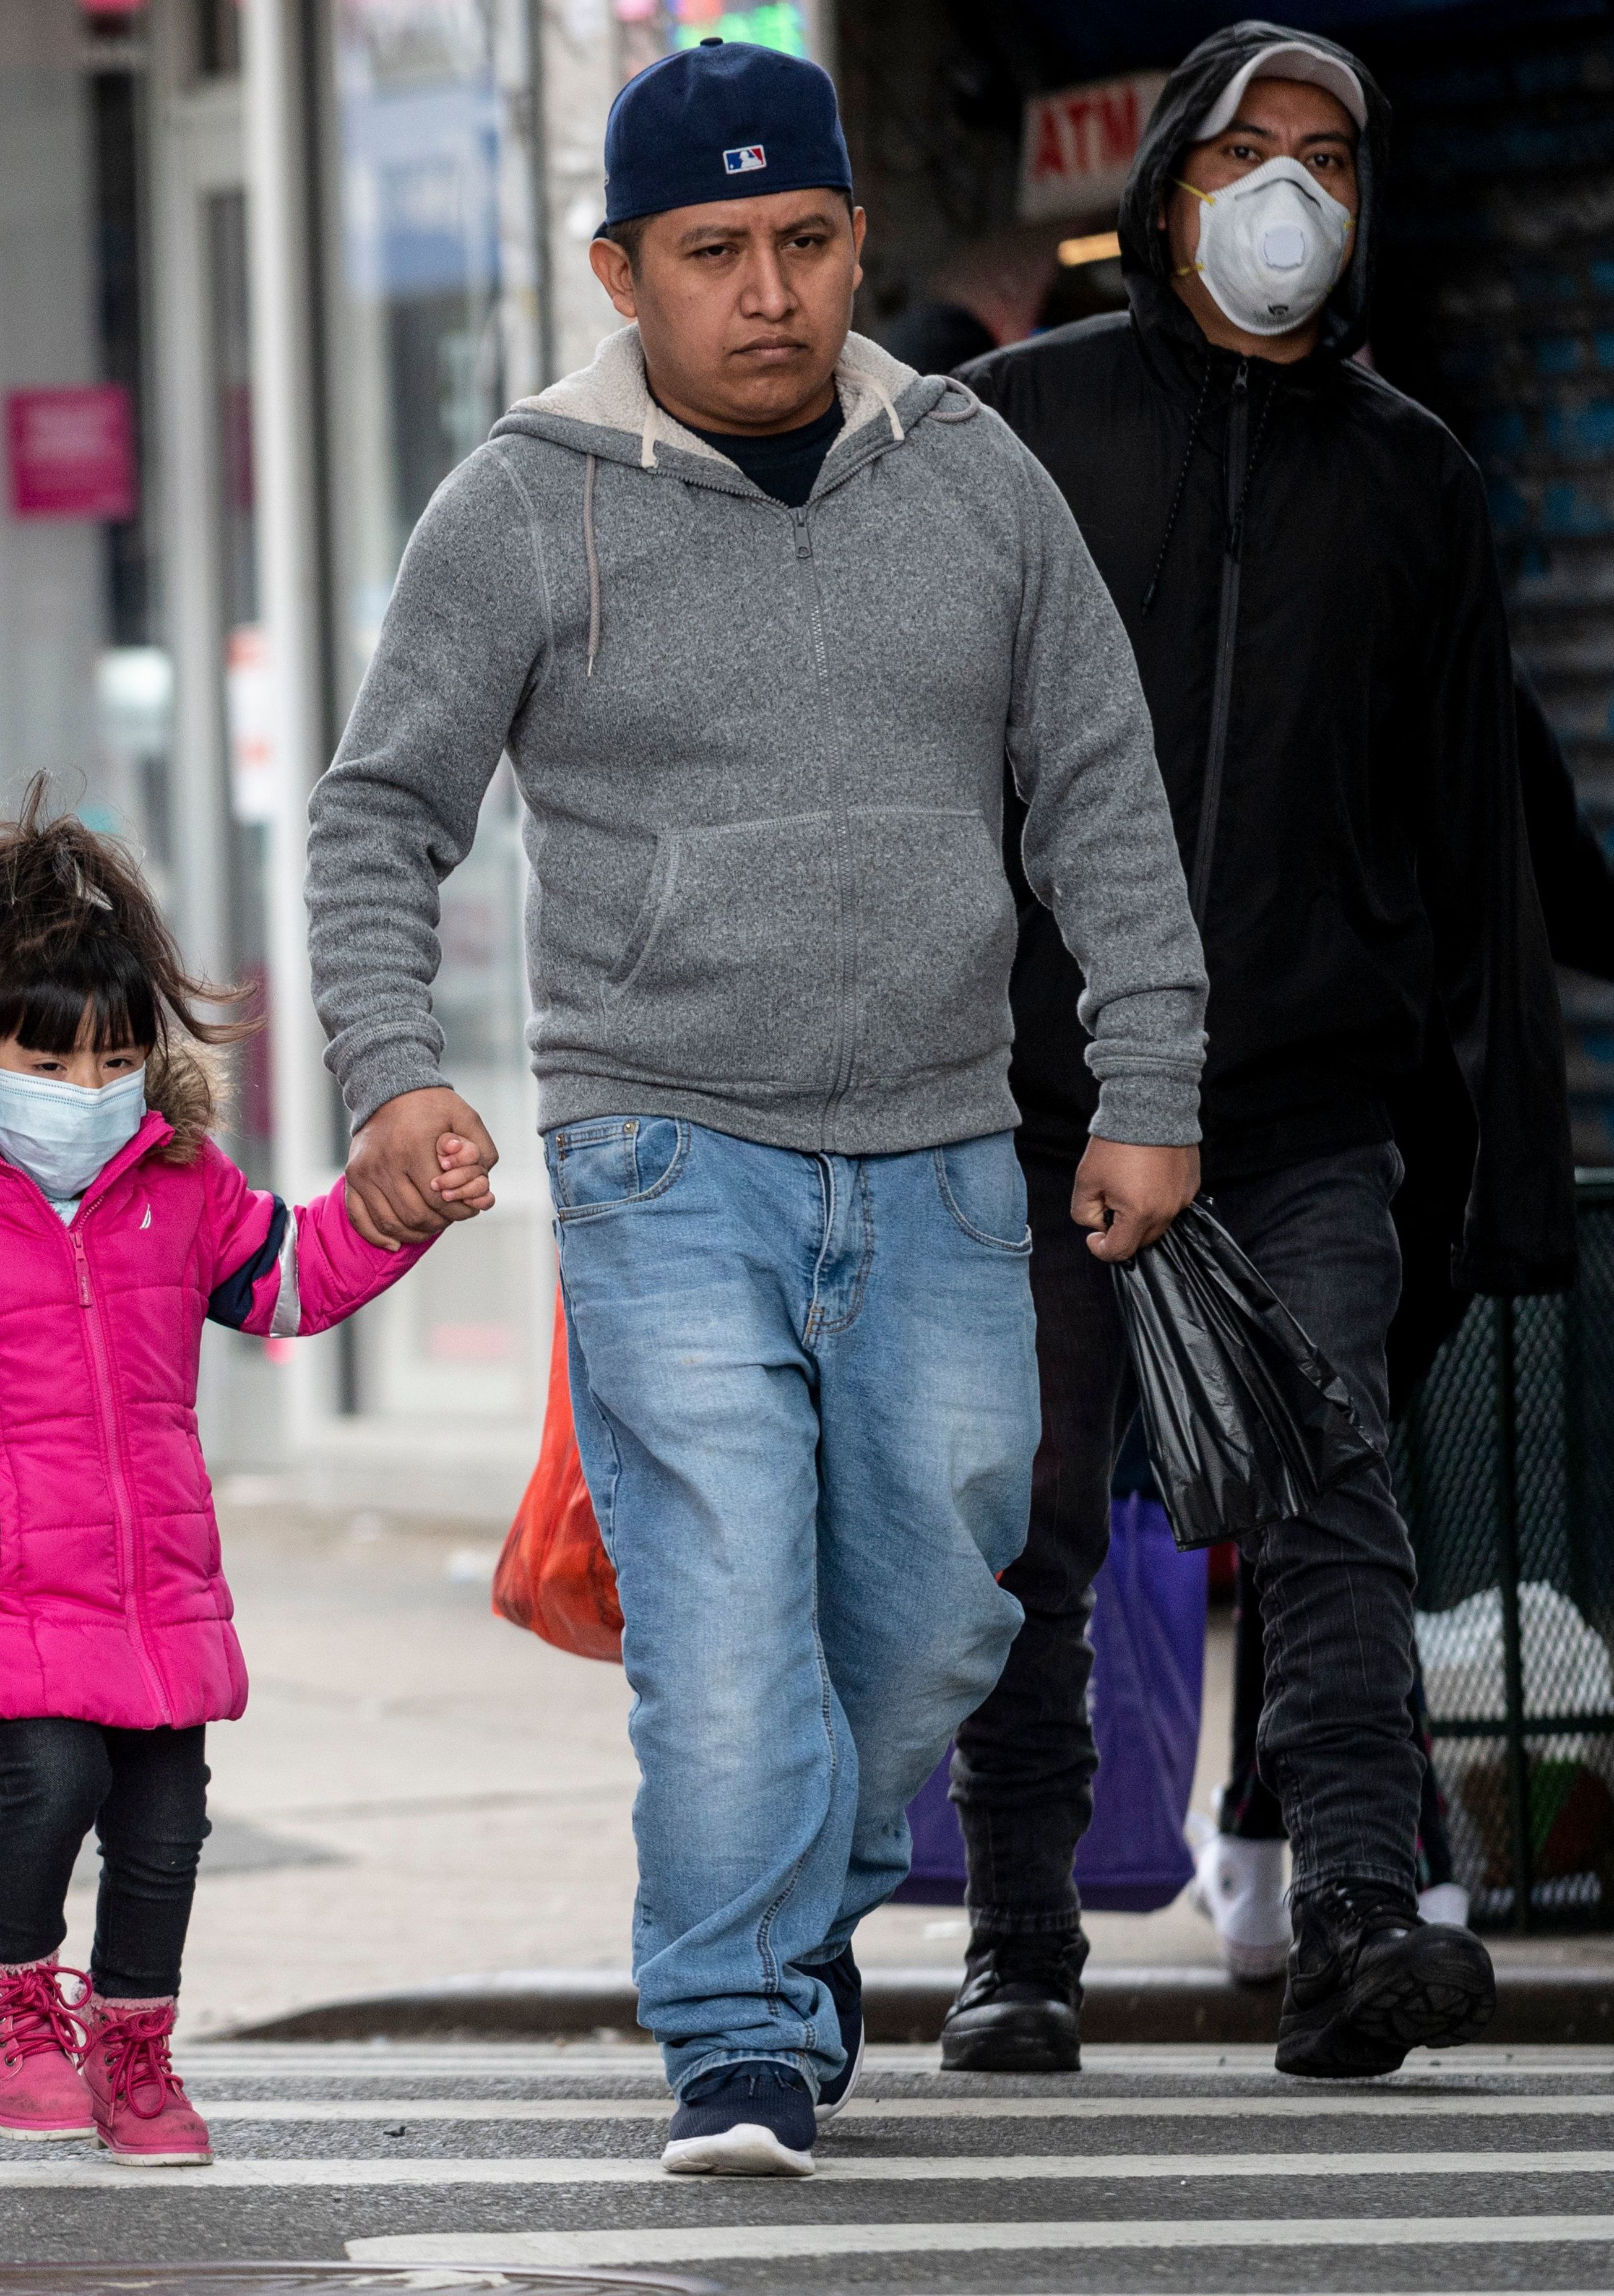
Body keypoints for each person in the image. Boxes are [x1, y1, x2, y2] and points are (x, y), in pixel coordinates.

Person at [306, 38, 1208, 2176]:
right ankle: (730, 2032)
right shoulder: (519, 502)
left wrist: (1147, 1080)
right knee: (715, 1600)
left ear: (852, 242)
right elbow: (377, 819)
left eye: (801, 240)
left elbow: (1098, 793)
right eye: (710, 251)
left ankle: (786, 1923)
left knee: (935, 1597)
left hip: (931, 1144)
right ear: (618, 267)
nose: (767, 290)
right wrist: (385, 1071)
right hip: (657, 1146)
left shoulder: (973, 477)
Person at [943, 24, 1563, 2082]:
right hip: (1035, 1106)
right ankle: (1017, 1943)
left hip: (1304, 1105)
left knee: (1329, 1512)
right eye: (1249, 150)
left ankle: (1357, 1925)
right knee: (1025, 1528)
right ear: (1168, 180)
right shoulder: (1001, 429)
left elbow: (1493, 805)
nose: (1289, 192)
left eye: (1329, 158)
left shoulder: (1405, 479)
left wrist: (1513, 1097)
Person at [0, 800, 461, 2163]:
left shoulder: (176, 1181)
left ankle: (133, 2046)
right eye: (46, 1054)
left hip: (149, 1577)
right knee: (49, 1777)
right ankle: (5, 1996)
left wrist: (391, 1210)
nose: (85, 1082)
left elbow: (287, 1277)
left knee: (167, 1815)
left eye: (113, 1054)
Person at [1192, 670, 1614, 1974]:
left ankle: (1290, 1842)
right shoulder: (1466, 688)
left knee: (1313, 1489)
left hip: (1290, 1131)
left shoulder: (1263, 659)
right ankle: (1354, 1852)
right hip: (1408, 1145)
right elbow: (1569, 895)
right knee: (1330, 1490)